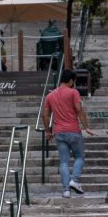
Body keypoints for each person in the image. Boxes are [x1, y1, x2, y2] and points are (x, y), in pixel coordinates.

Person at [42, 69, 96, 198]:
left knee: (64, 162)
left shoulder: (50, 96)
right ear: (71, 81)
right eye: (74, 81)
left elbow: (45, 115)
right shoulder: (73, 92)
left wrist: (48, 132)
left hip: (59, 132)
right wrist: (86, 127)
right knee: (79, 156)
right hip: (73, 130)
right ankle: (75, 180)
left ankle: (66, 190)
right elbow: (79, 109)